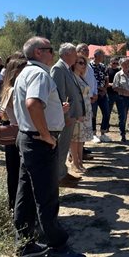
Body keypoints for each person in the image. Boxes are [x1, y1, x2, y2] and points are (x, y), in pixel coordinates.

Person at [13, 36, 86, 257]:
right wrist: (45, 135)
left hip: (28, 138)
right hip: (39, 141)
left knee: (25, 194)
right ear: (37, 52)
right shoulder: (39, 73)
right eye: (49, 49)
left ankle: (25, 243)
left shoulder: (25, 72)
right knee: (47, 196)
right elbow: (33, 104)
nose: (53, 53)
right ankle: (58, 248)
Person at [51, 43, 85, 185]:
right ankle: (59, 176)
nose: (76, 56)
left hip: (70, 115)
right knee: (62, 145)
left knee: (64, 146)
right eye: (73, 53)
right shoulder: (58, 69)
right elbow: (60, 95)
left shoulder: (67, 69)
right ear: (66, 54)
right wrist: (65, 116)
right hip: (65, 116)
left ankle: (62, 172)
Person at [0, 54, 27, 211]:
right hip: (19, 135)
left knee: (13, 174)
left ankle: (13, 207)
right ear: (17, 73)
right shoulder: (16, 90)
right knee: (19, 175)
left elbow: (3, 115)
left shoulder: (8, 89)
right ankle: (18, 210)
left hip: (12, 137)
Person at [69, 54, 94, 172]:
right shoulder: (72, 77)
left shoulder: (81, 77)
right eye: (80, 63)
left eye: (84, 63)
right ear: (74, 64)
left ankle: (80, 162)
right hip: (77, 111)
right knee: (75, 138)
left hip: (86, 111)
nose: (83, 65)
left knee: (81, 138)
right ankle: (74, 162)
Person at [112, 57, 129, 142]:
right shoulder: (118, 75)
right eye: (124, 64)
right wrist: (124, 91)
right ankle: (122, 135)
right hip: (122, 98)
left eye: (128, 63)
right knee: (122, 117)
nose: (126, 65)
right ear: (121, 65)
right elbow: (115, 87)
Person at [90, 48, 111, 143]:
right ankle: (93, 134)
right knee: (93, 114)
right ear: (96, 56)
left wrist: (105, 89)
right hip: (93, 94)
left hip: (103, 93)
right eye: (102, 55)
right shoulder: (89, 66)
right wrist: (97, 90)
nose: (103, 57)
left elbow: (107, 79)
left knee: (106, 112)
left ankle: (103, 133)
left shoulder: (103, 66)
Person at [106, 57, 121, 130]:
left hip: (118, 93)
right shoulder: (107, 70)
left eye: (116, 63)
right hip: (110, 93)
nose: (115, 65)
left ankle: (121, 125)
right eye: (113, 63)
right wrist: (113, 84)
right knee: (108, 111)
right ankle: (106, 126)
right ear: (110, 63)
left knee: (120, 111)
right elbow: (106, 83)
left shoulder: (119, 71)